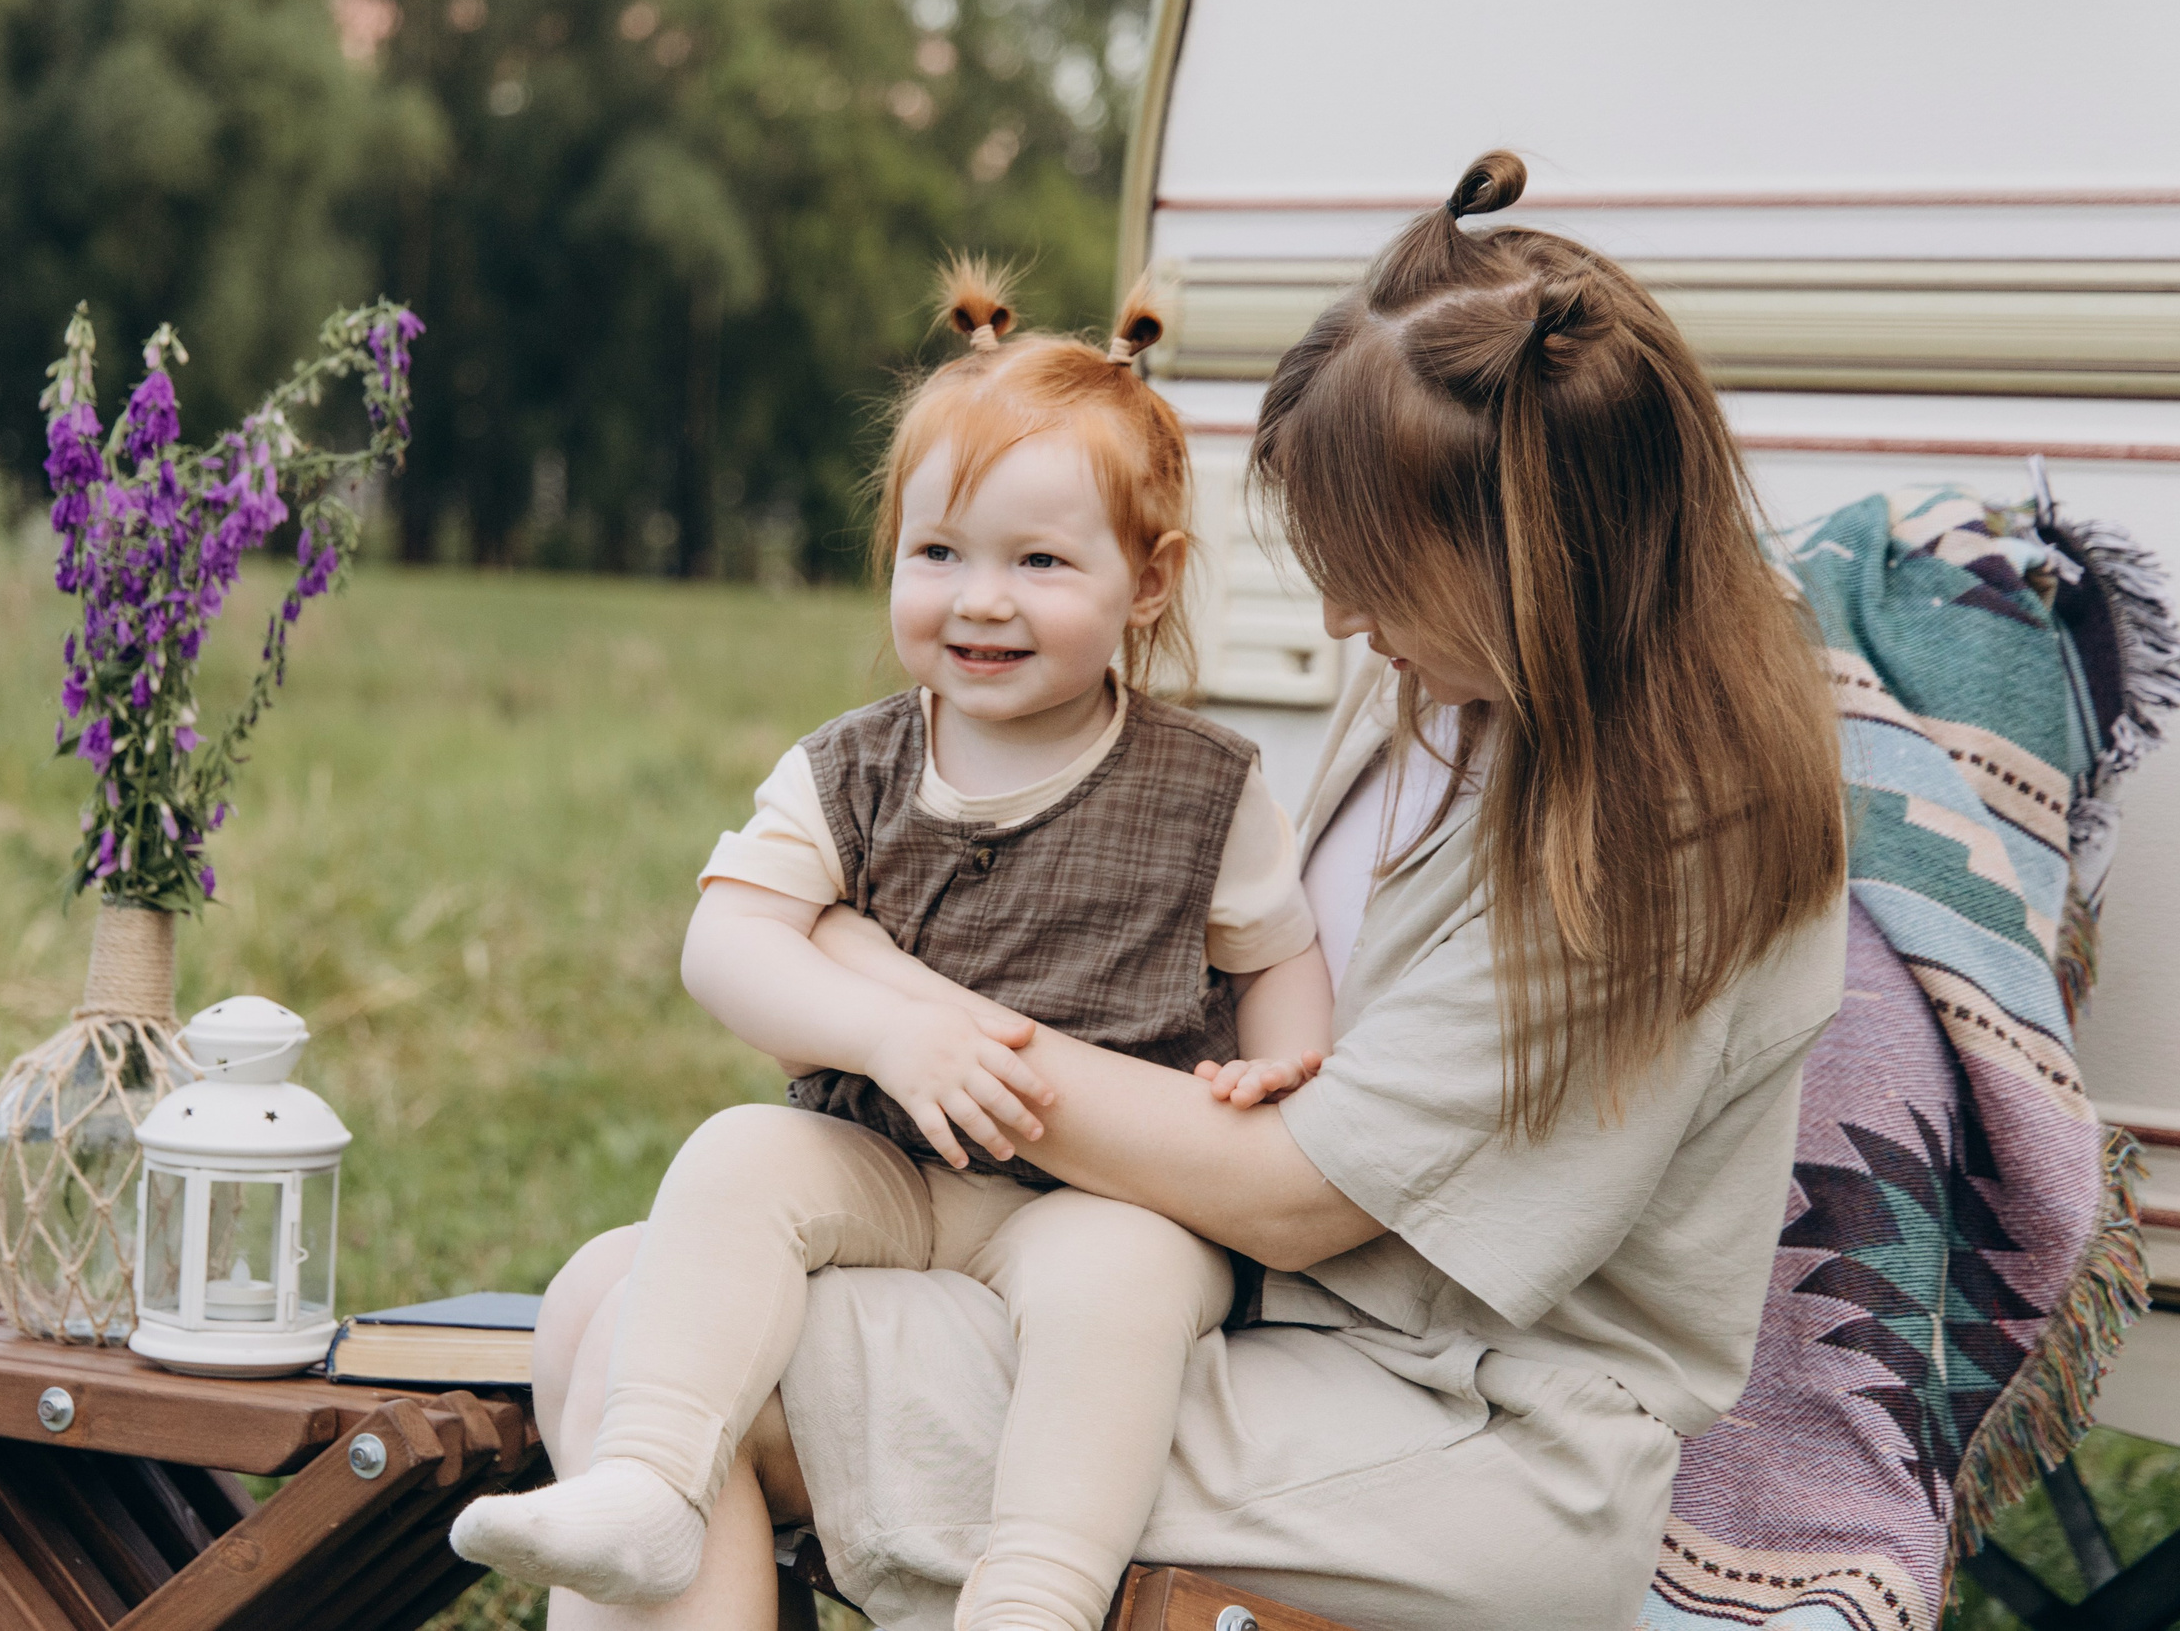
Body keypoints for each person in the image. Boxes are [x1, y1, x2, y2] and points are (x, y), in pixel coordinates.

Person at [520, 150, 1851, 1631]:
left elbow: (1290, 1198)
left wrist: (877, 983)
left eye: (1378, 573)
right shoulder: (1462, 690)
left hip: (1455, 1430)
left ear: (1531, 564)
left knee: (638, 1327)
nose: (1345, 618)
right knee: (617, 1295)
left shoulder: (1668, 830)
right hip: (1283, 1331)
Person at [454, 261, 1334, 1631]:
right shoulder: (851, 769)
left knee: (1129, 1286)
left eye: (1039, 561)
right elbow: (728, 941)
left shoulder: (1207, 788)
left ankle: (1034, 1596)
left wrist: (1281, 1071)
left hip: (1095, 1197)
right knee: (736, 1157)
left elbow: (1274, 953)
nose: (980, 600)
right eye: (940, 555)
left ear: (1147, 580)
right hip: (883, 1158)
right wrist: (884, 1030)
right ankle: (650, 1477)